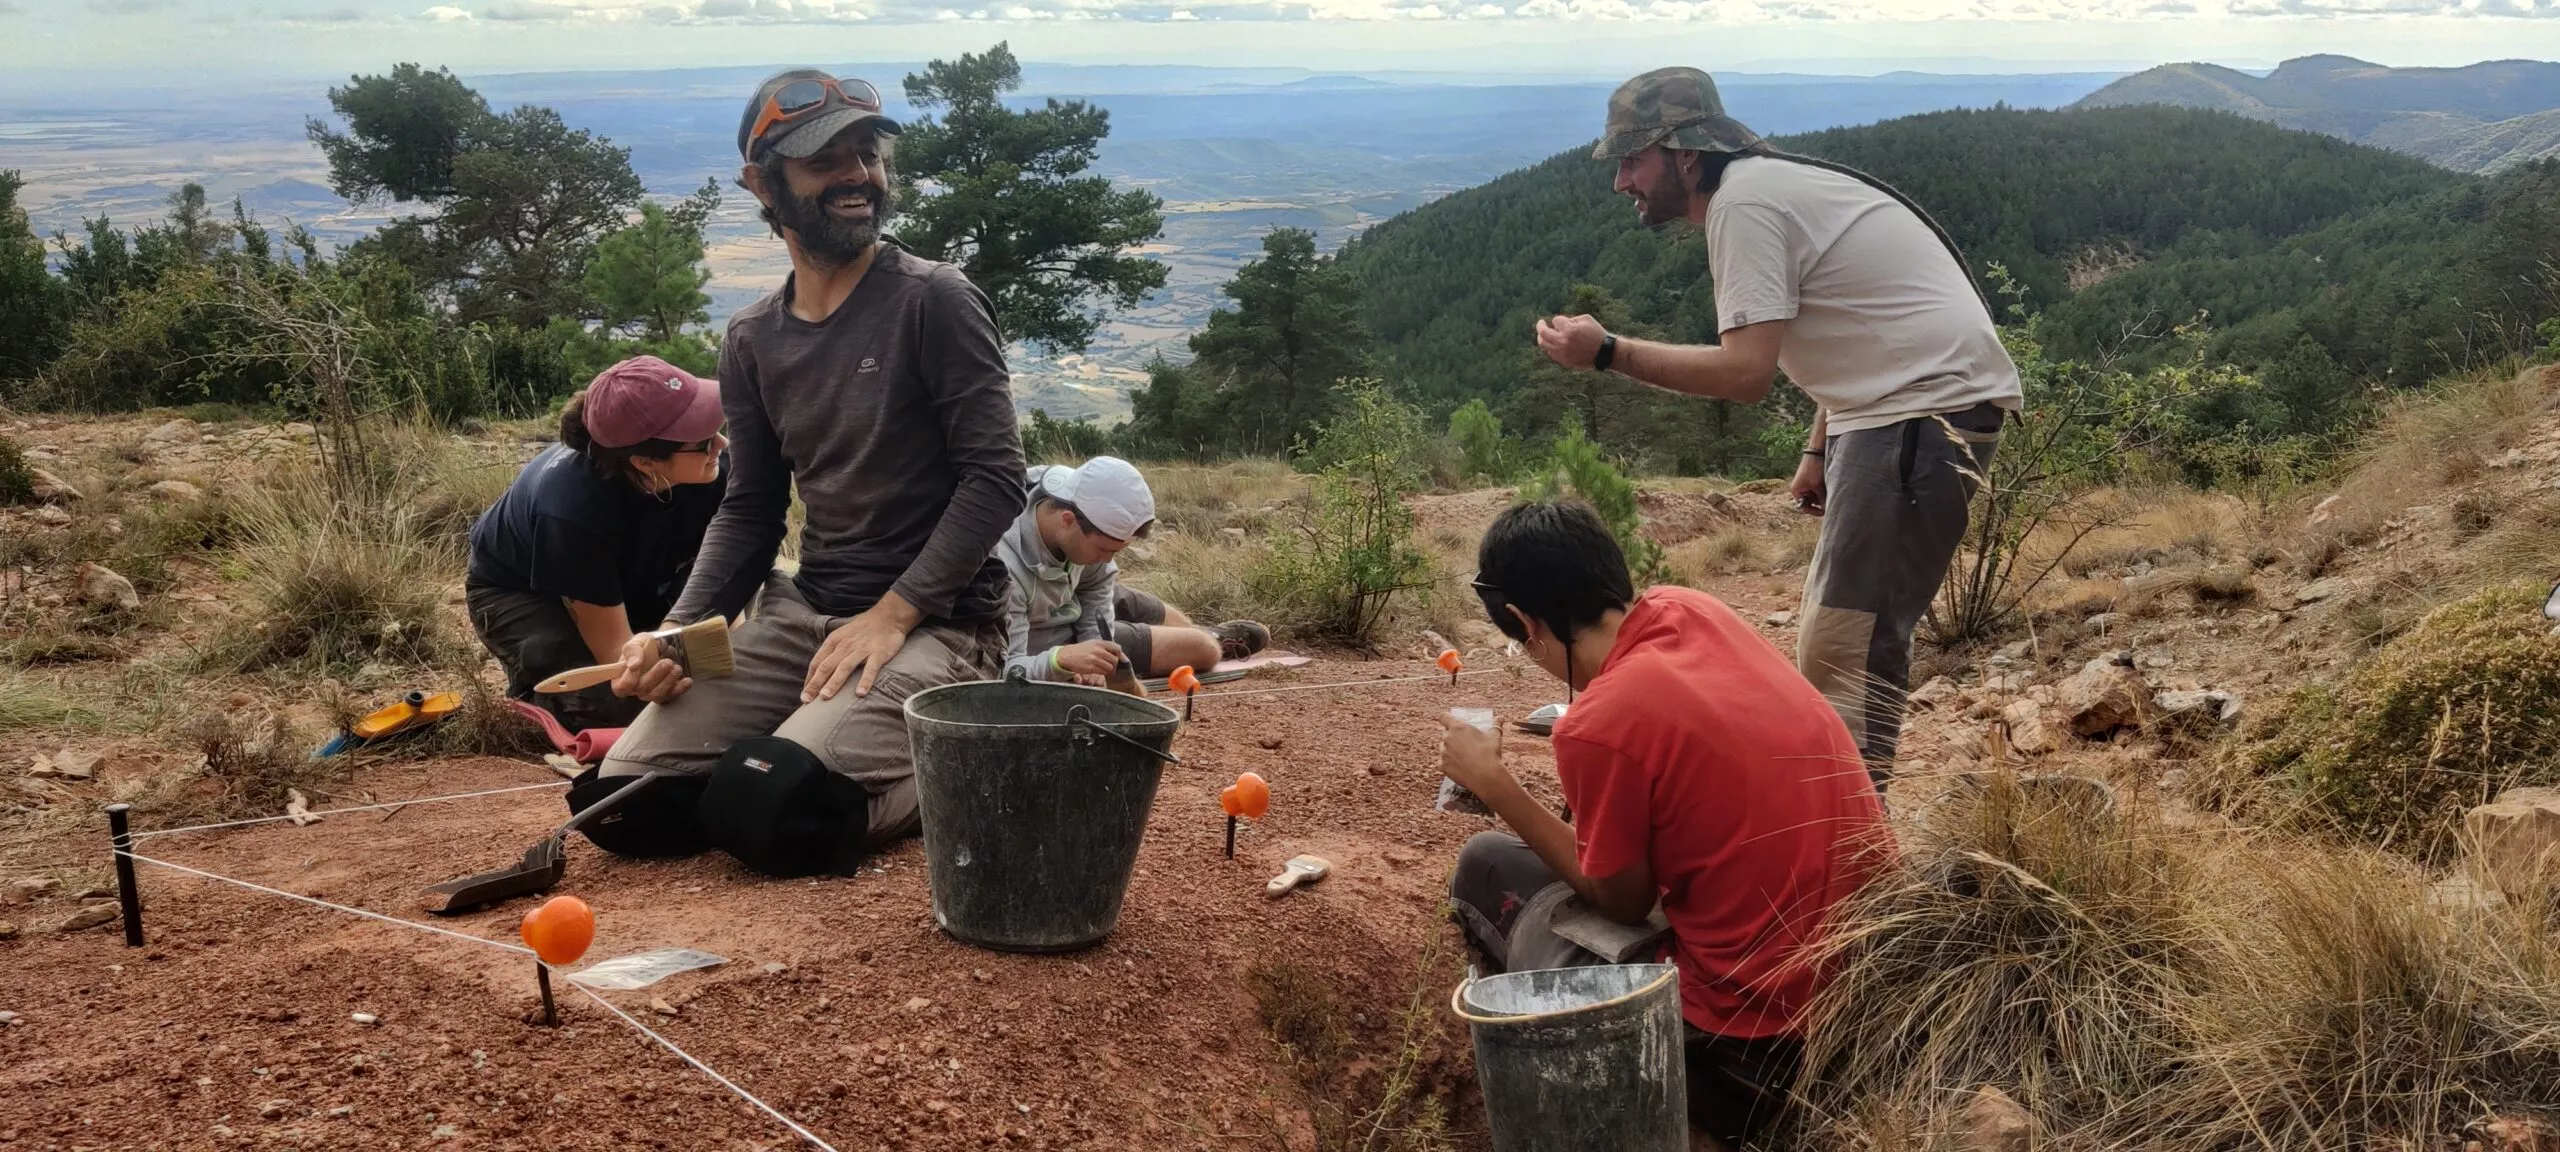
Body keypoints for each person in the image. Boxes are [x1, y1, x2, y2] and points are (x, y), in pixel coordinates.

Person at [575, 68, 1024, 875]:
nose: (858, 176)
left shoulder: (934, 299)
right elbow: (749, 509)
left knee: (775, 812)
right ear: (763, 183)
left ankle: (971, 740)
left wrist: (894, 615)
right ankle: (810, 746)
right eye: (827, 159)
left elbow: (995, 478)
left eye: (867, 155)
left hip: (939, 623)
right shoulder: (752, 338)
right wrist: (680, 632)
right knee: (621, 803)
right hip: (805, 611)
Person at [1534, 66, 2023, 790]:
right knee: (1840, 639)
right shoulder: (1764, 189)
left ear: (1685, 155)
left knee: (1846, 650)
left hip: (1919, 416)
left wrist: (1607, 353)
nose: (1621, 181)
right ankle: (1839, 840)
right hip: (1899, 413)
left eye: (1632, 159)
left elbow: (1745, 373)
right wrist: (1819, 445)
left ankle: (1847, 865)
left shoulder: (1745, 206)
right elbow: (1860, 317)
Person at [1437, 499, 1891, 1150]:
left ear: (1522, 620)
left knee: (1486, 864)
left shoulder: (1601, 724)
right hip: (1880, 987)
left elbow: (1624, 902)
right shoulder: (1692, 610)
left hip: (1752, 1048)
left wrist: (1496, 785)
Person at [463, 356, 729, 732]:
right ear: (644, 461)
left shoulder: (710, 468)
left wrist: (725, 656)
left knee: (719, 683)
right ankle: (534, 701)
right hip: (523, 591)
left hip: (640, 577)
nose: (722, 442)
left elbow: (726, 583)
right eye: (703, 440)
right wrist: (646, 676)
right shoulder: (571, 510)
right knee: (623, 707)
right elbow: (618, 655)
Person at [997, 455, 1270, 684]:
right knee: (1202, 649)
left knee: (1168, 616)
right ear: (1068, 521)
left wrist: (1097, 651)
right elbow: (1007, 669)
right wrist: (1062, 661)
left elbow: (1100, 580)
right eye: (1105, 550)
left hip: (1074, 586)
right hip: (1049, 638)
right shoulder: (1004, 572)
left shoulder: (1070, 505)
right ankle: (1215, 639)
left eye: (1117, 551)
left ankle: (1208, 629)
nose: (1109, 560)